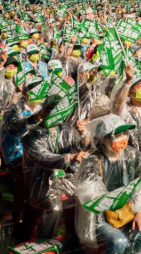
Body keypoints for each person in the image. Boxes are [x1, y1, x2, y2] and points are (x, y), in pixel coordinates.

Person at [75, 114, 141, 253]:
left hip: (128, 211)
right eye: (116, 135)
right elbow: (87, 194)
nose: (122, 138)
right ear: (103, 139)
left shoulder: (133, 156)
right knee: (119, 242)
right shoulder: (92, 161)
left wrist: (140, 211)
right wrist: (106, 198)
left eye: (124, 134)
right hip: (100, 217)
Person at [21, 95, 91, 239]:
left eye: (59, 110)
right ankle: (46, 244)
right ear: (44, 112)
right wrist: (70, 157)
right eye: (52, 110)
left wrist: (84, 134)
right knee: (55, 208)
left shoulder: (66, 129)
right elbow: (43, 158)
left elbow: (81, 146)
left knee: (89, 195)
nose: (56, 114)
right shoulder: (31, 136)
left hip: (66, 179)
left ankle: (79, 239)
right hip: (43, 184)